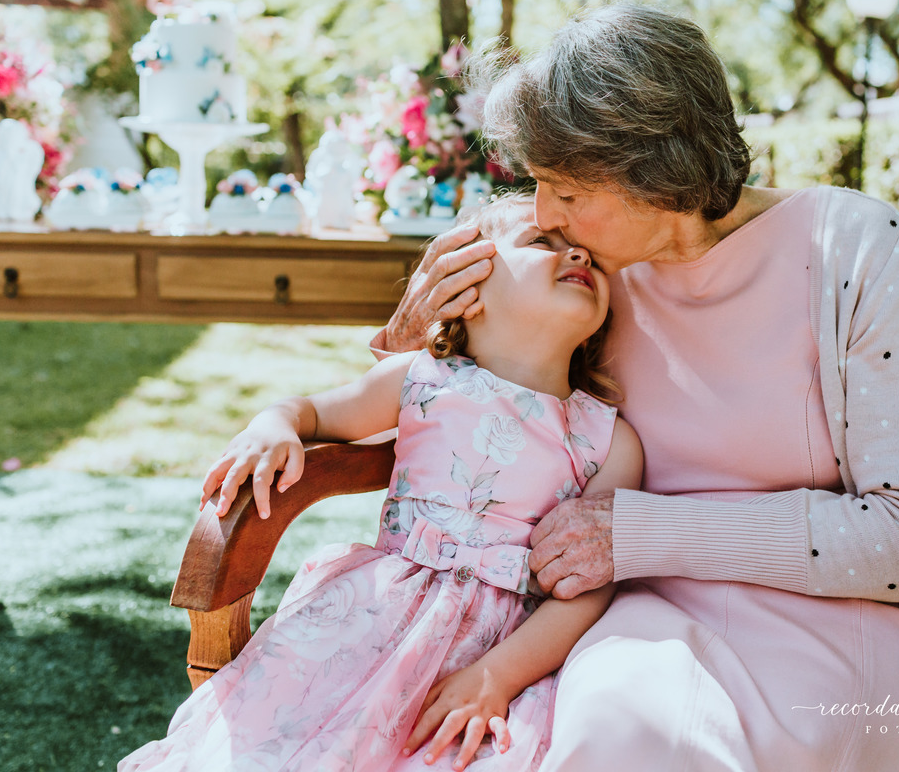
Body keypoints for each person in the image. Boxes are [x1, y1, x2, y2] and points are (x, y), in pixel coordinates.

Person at [372, 3, 899, 772]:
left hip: (845, 630)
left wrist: (639, 536)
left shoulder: (849, 246)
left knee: (642, 744)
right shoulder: (578, 268)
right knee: (592, 737)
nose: (541, 213)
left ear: (652, 173)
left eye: (563, 187)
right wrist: (408, 331)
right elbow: (451, 377)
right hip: (632, 623)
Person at [118, 194, 642, 772]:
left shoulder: (608, 439)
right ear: (468, 288)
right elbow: (314, 412)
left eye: (591, 255)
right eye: (542, 242)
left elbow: (590, 583)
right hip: (373, 623)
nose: (577, 255)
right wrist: (274, 424)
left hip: (506, 650)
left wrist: (496, 677)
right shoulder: (421, 379)